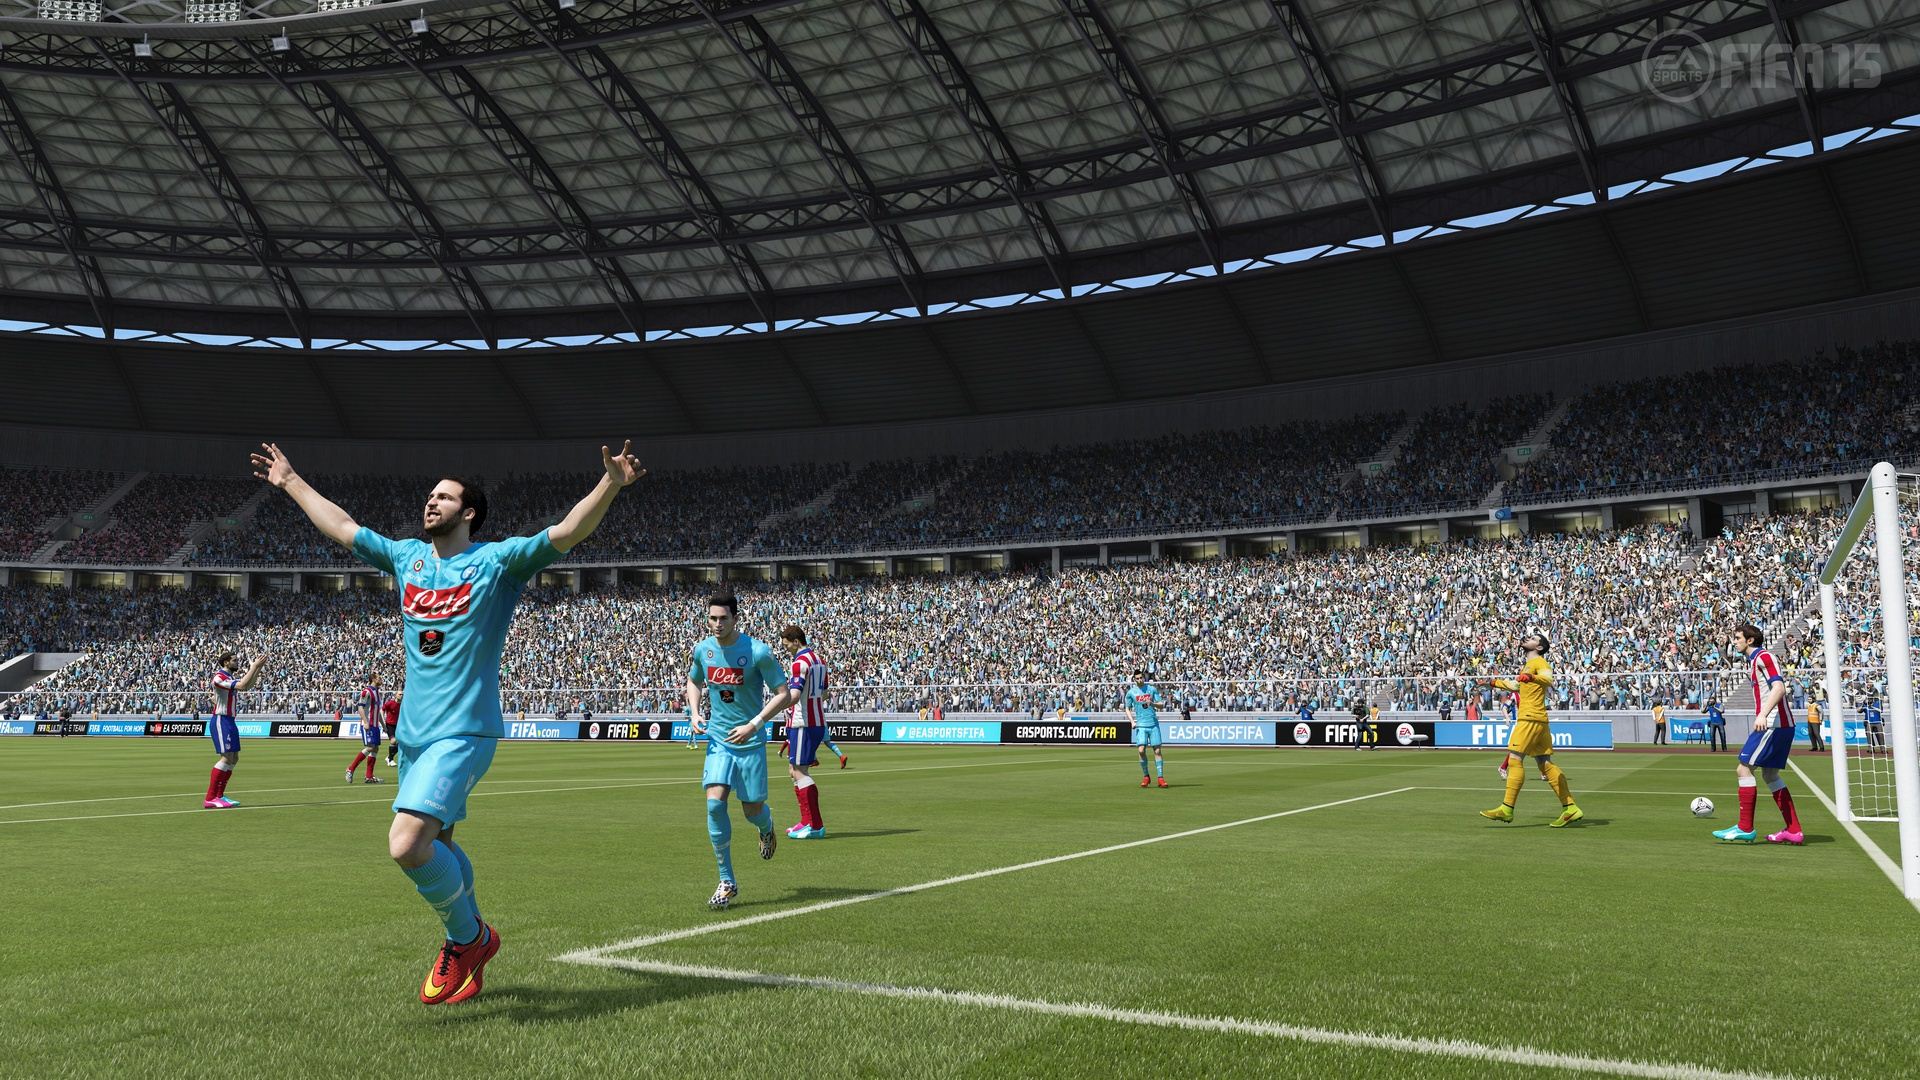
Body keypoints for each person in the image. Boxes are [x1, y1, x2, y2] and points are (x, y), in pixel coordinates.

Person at [252, 437, 643, 1005]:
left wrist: (610, 483)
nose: (431, 502)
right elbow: (343, 527)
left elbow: (565, 533)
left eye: (444, 497)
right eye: (430, 496)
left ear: (469, 513)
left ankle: (469, 938)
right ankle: (471, 950)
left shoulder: (496, 562)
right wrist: (290, 481)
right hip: (413, 734)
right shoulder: (407, 557)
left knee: (407, 845)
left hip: (464, 729)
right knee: (440, 842)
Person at [687, 593, 795, 910]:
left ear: (735, 619)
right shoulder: (703, 650)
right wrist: (695, 712)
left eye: (723, 618)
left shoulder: (757, 651)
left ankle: (766, 827)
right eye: (713, 618)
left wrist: (754, 723)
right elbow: (693, 681)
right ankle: (727, 881)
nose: (717, 623)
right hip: (719, 740)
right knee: (714, 804)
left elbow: (784, 693)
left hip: (750, 743)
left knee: (752, 810)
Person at [1480, 632, 1582, 827]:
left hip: (1529, 718)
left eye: (1534, 638)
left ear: (1539, 647)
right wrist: (1494, 683)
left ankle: (1506, 809)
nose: (1528, 638)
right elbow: (1516, 685)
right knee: (1545, 764)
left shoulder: (1539, 662)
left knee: (1514, 759)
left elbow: (1547, 678)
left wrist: (1531, 677)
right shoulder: (1528, 665)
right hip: (1538, 720)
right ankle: (1570, 808)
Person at [1714, 623, 1803, 845]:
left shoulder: (1764, 657)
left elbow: (1779, 688)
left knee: (1743, 769)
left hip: (1773, 724)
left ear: (1750, 640)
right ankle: (1793, 830)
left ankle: (1745, 827)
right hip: (1780, 724)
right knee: (1770, 775)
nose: (1734, 642)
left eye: (1737, 638)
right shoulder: (1755, 661)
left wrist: (1763, 714)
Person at [778, 625, 831, 839]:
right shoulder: (820, 660)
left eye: (787, 645)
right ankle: (806, 821)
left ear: (796, 641)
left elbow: (793, 696)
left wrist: (774, 705)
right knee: (794, 770)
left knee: (800, 771)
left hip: (803, 723)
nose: (786, 649)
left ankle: (815, 825)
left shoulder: (799, 662)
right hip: (815, 721)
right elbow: (825, 693)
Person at [206, 650, 268, 809]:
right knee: (227, 758)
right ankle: (211, 797)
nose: (237, 662)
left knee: (234, 758)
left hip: (229, 720)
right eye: (234, 660)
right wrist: (253, 666)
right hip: (221, 720)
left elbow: (247, 686)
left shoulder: (229, 678)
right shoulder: (219, 677)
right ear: (226, 662)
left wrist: (258, 668)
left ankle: (220, 795)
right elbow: (242, 685)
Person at [1124, 669, 1168, 787]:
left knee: (1157, 751)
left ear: (1144, 678)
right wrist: (1132, 722)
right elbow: (1127, 708)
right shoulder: (1131, 693)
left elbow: (1161, 705)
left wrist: (1152, 703)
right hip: (1141, 725)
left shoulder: (1151, 689)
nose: (1139, 680)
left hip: (1153, 724)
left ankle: (1160, 778)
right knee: (1141, 750)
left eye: (1141, 678)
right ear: (1134, 679)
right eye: (1137, 678)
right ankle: (1146, 776)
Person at [348, 675, 386, 784]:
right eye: (379, 678)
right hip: (368, 724)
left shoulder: (377, 692)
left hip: (375, 725)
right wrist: (365, 722)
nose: (381, 680)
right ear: (373, 679)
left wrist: (383, 725)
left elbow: (377, 711)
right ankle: (350, 769)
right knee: (370, 747)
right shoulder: (366, 692)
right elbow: (360, 707)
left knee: (375, 748)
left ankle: (369, 776)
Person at [383, 692, 402, 767]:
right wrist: (383, 722)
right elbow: (382, 709)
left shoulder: (403, 704)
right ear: (395, 695)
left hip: (399, 725)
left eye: (402, 694)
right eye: (400, 694)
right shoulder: (390, 703)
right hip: (390, 724)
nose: (401, 695)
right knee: (393, 741)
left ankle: (389, 757)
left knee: (402, 743)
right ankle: (390, 760)